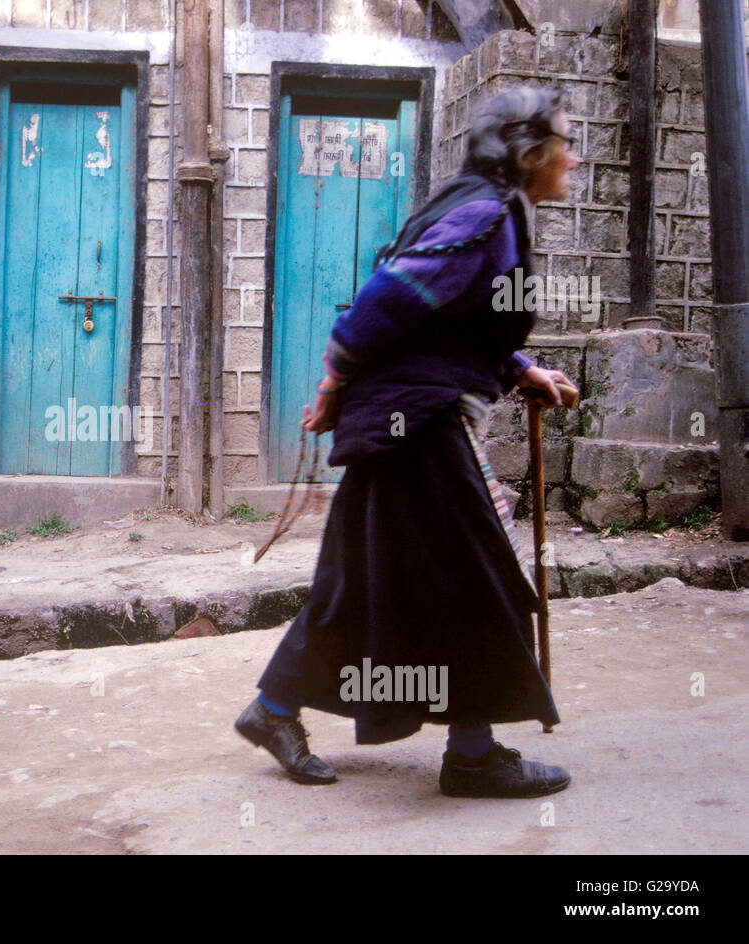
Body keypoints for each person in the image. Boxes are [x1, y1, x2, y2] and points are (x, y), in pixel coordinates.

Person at [235, 87, 578, 798]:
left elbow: (452, 323)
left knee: (359, 581)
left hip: (400, 418)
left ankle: (272, 710)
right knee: (478, 573)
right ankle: (474, 755)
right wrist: (334, 381)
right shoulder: (486, 214)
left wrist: (522, 370)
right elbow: (385, 304)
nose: (573, 157)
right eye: (565, 143)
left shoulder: (489, 211)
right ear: (531, 153)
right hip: (411, 423)